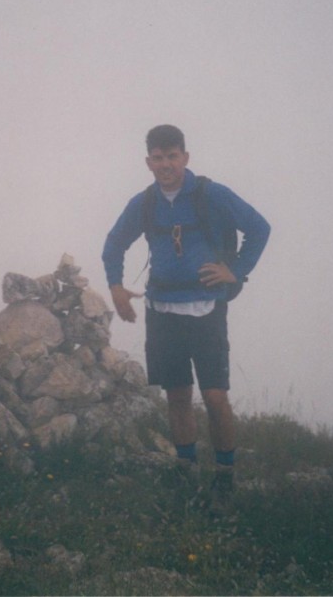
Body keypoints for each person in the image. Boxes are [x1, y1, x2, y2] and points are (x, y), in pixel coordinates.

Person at [102, 124, 270, 508]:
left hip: (206, 309)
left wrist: (237, 270)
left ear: (185, 157)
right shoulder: (144, 203)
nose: (166, 165)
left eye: (172, 156)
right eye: (158, 158)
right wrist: (115, 286)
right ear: (148, 162)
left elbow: (259, 228)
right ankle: (185, 469)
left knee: (214, 397)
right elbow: (113, 243)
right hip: (161, 311)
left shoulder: (211, 195)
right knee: (177, 395)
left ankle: (225, 476)